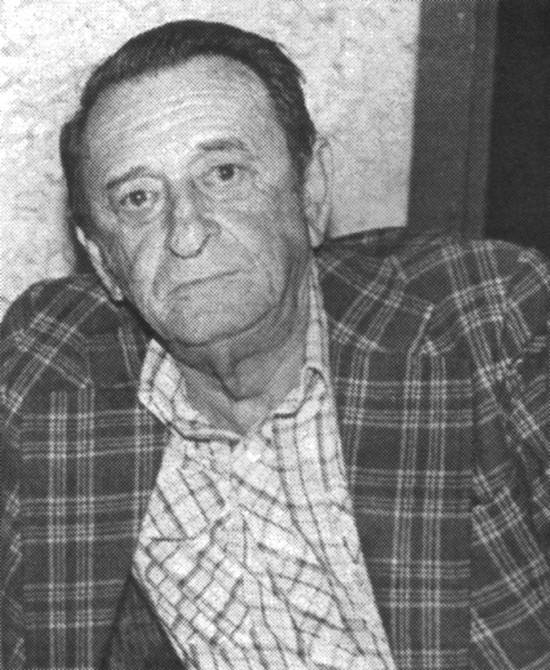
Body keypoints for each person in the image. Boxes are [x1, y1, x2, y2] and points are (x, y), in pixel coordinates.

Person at [1, 19, 550, 670]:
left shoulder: (492, 320)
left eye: (224, 173)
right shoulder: (48, 371)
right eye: (138, 197)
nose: (186, 233)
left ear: (310, 191)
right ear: (103, 260)